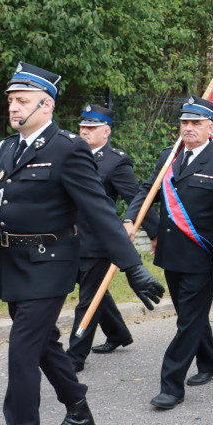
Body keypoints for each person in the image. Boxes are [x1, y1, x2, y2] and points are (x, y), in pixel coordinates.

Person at [0, 63, 164, 425]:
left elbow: (99, 210)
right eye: (10, 99)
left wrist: (132, 266)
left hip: (50, 264)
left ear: (47, 104)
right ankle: (79, 411)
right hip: (13, 264)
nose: (13, 106)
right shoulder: (5, 149)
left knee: (22, 350)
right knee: (42, 344)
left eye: (22, 100)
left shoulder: (68, 149)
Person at [125, 96, 213, 410]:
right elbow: (147, 188)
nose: (189, 128)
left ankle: (171, 386)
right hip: (170, 254)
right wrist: (130, 218)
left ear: (211, 126)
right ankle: (211, 361)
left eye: (196, 123)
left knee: (188, 322)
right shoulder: (170, 157)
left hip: (200, 256)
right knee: (189, 316)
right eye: (184, 122)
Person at [65, 104, 159, 372]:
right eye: (83, 126)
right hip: (68, 239)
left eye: (92, 128)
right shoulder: (69, 155)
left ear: (106, 131)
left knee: (88, 298)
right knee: (95, 292)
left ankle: (75, 356)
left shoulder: (115, 162)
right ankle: (118, 334)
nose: (85, 131)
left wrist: (154, 232)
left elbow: (137, 198)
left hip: (98, 243)